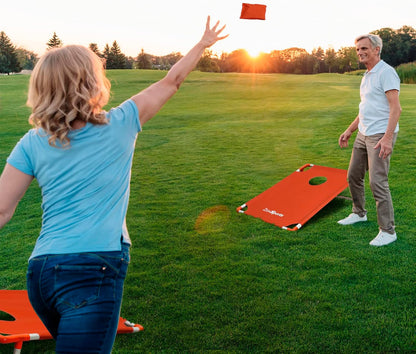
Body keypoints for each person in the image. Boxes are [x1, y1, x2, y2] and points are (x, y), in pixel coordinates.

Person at [0, 16, 227, 353]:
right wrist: (203, 44)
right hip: (94, 269)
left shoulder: (32, 143)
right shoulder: (121, 122)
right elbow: (172, 81)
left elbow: (1, 210)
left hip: (42, 273)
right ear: (91, 82)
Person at [338, 34, 402, 247]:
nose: (360, 52)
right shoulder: (367, 75)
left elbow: (396, 108)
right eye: (357, 50)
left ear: (376, 49)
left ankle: (388, 230)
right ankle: (359, 213)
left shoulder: (386, 73)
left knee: (377, 182)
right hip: (363, 134)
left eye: (364, 48)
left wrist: (386, 138)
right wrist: (349, 130)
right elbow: (365, 108)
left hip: (379, 136)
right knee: (353, 176)